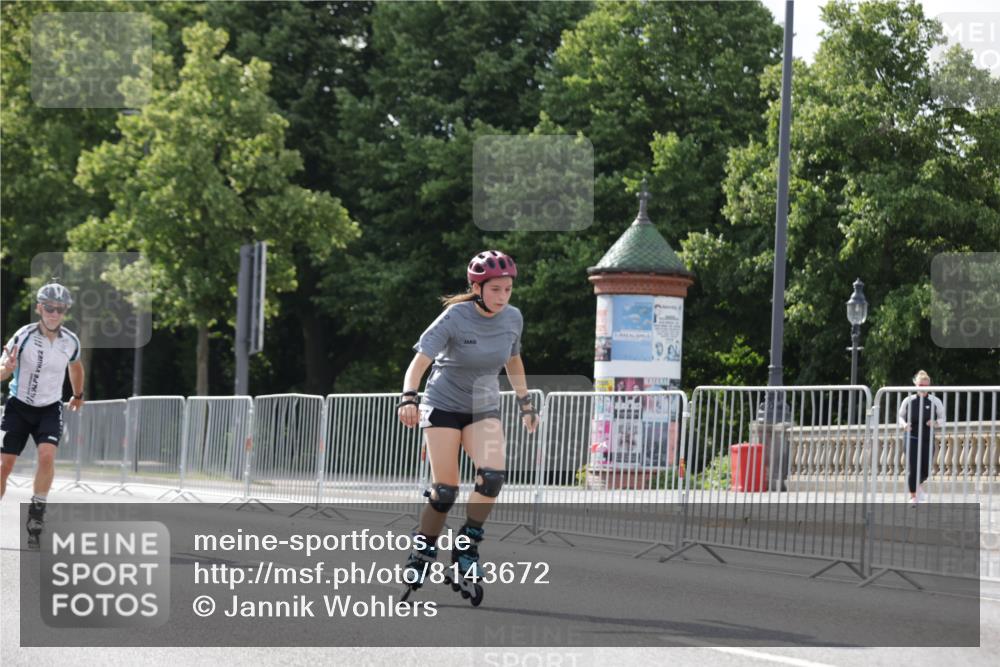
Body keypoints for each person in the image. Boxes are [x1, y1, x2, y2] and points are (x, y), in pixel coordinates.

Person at [396, 250, 537, 604]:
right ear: (477, 287)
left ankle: (467, 545)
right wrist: (408, 398)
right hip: (442, 404)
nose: (503, 297)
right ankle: (423, 549)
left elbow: (514, 360)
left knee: (492, 478)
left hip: (482, 406)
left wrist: (525, 403)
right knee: (445, 490)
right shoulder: (455, 317)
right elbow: (419, 363)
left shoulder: (513, 319)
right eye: (495, 290)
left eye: (507, 290)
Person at [0, 283, 85, 548]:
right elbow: (2, 370)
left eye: (59, 309)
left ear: (65, 312)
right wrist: (7, 368)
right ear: (39, 307)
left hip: (50, 408)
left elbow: (76, 367)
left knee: (47, 455)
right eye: (49, 307)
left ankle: (37, 513)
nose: (53, 313)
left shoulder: (70, 341)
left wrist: (78, 394)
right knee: (4, 465)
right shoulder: (23, 336)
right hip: (18, 405)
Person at [897, 370, 945, 506]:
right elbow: (900, 416)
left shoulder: (935, 401)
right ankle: (913, 496)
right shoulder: (908, 400)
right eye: (920, 386)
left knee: (925, 469)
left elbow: (943, 418)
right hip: (911, 436)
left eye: (926, 386)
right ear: (915, 385)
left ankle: (918, 486)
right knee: (913, 467)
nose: (923, 389)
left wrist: (935, 423)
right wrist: (904, 424)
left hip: (927, 438)